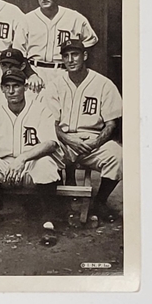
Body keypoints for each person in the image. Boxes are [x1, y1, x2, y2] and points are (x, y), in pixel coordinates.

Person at [0, 69, 64, 245]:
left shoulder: (40, 109)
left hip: (30, 164)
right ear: (2, 88)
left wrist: (22, 158)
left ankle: (48, 223)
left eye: (16, 86)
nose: (12, 91)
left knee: (46, 164)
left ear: (26, 87)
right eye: (7, 86)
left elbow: (50, 143)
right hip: (4, 167)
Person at [48, 39, 123, 223]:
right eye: (66, 56)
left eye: (75, 54)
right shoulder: (55, 85)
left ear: (85, 56)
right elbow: (50, 123)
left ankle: (100, 202)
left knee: (118, 156)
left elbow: (111, 124)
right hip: (62, 141)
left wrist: (95, 143)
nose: (71, 59)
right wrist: (68, 140)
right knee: (43, 157)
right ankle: (56, 203)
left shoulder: (103, 84)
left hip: (93, 140)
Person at [24, 0, 99, 87]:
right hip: (35, 74)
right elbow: (19, 53)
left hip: (64, 72)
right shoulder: (27, 19)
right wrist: (31, 75)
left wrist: (79, 72)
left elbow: (90, 44)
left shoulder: (75, 18)